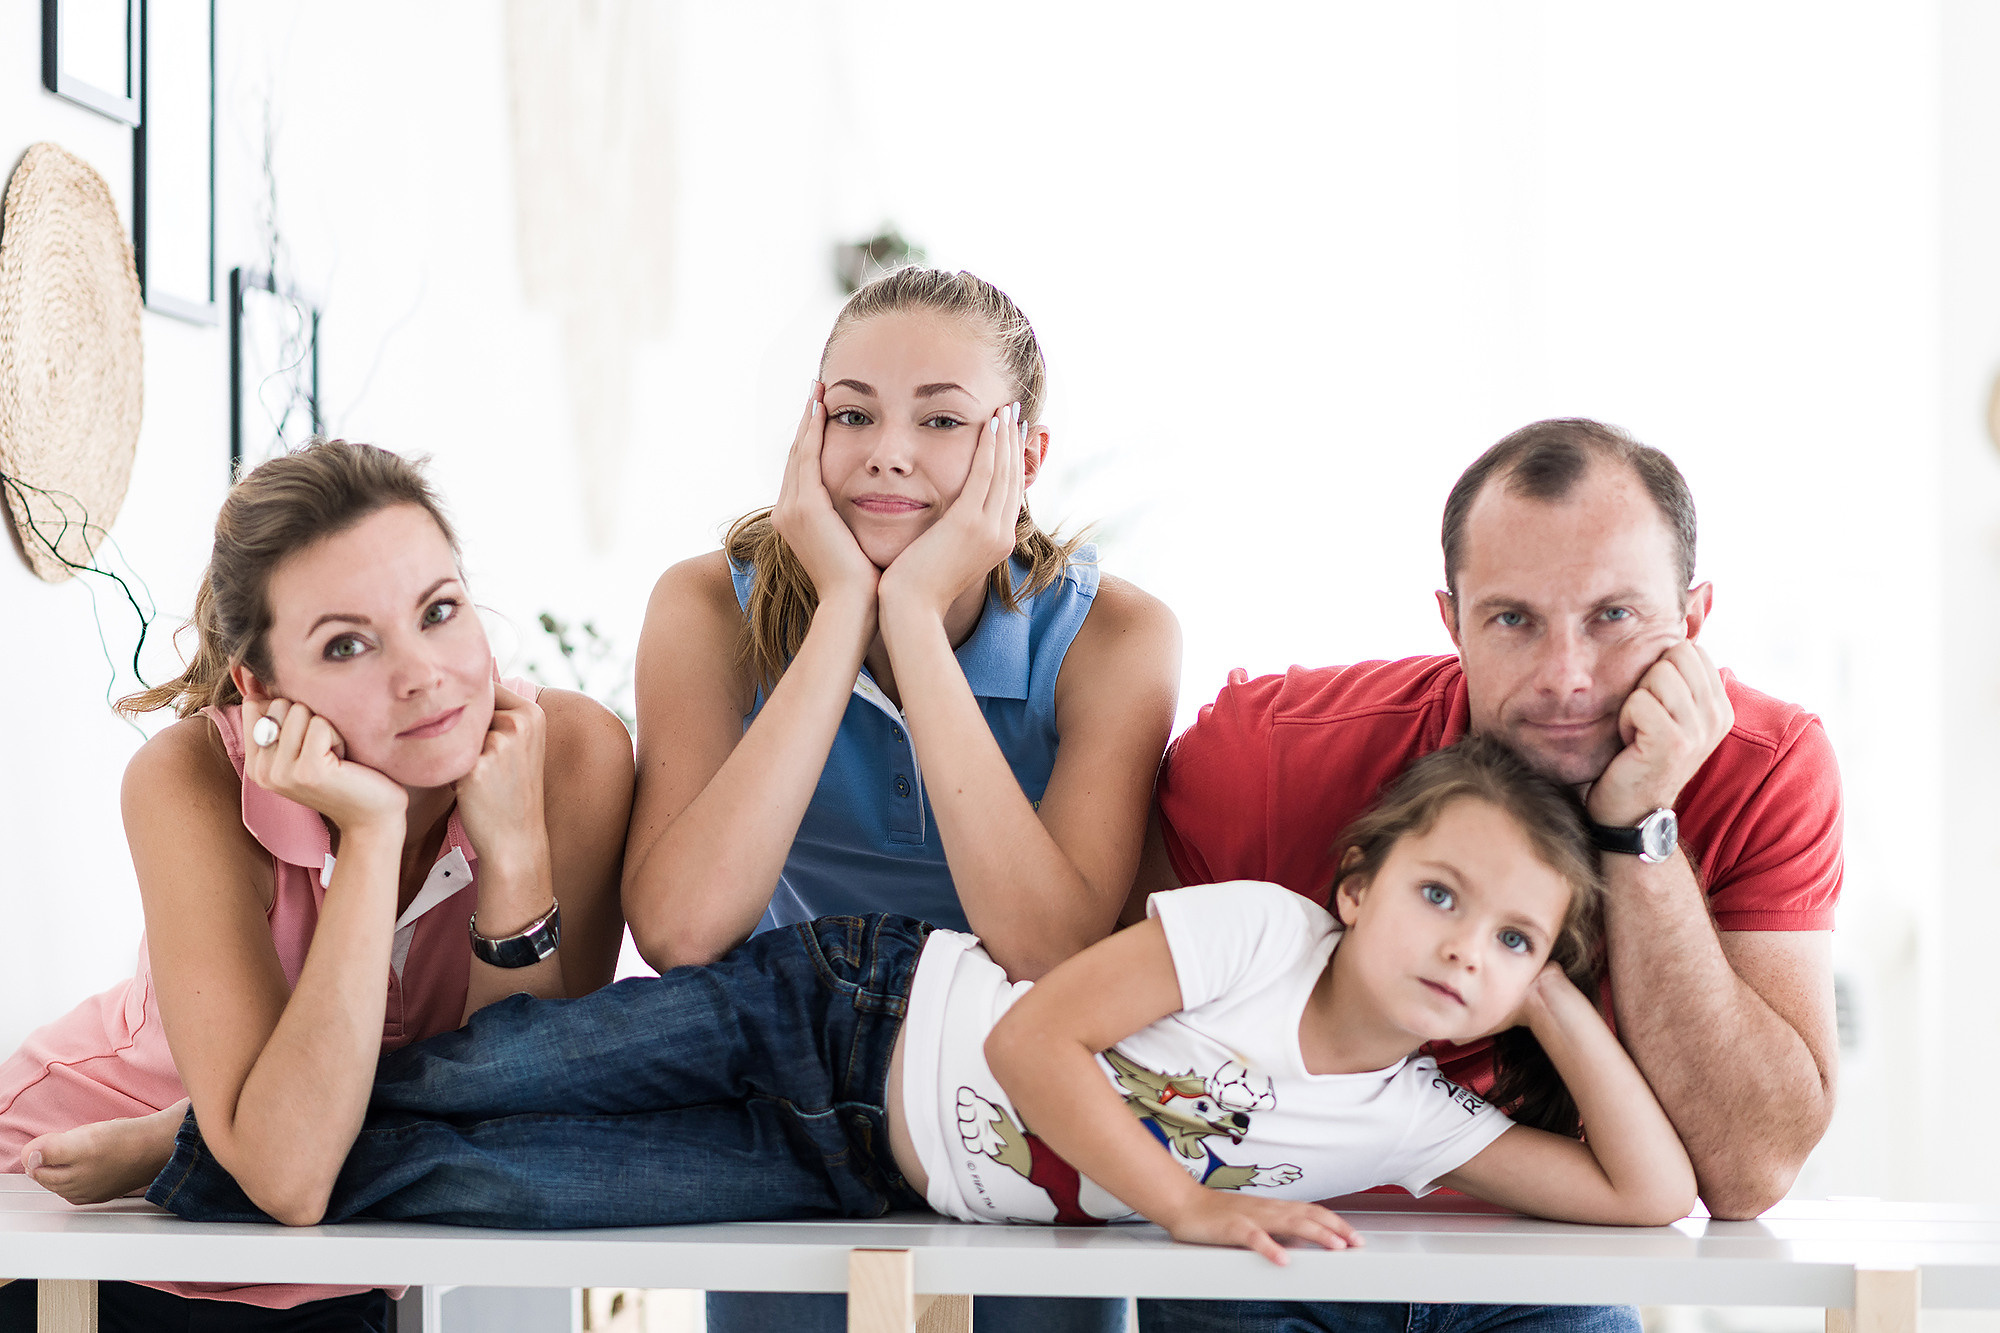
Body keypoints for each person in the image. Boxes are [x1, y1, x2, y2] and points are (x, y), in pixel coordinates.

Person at [147, 738, 1696, 1258]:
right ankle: (218, 1108)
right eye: (1439, 897)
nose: (1460, 950)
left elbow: (1653, 1196)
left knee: (501, 1183)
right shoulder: (1264, 937)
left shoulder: (1415, 1118)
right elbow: (1034, 1034)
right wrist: (1190, 1205)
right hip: (845, 1011)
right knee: (501, 1073)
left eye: (1505, 941)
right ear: (1359, 885)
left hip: (850, 1164)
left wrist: (1546, 991)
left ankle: (185, 1159)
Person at [1127, 418, 1841, 1333]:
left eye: (1613, 617)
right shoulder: (1271, 752)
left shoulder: (1766, 767)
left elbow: (1747, 1173)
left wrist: (1640, 833)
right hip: (1269, 1251)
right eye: (1513, 619)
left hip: (1544, 1262)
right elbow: (1101, 1020)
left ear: (1693, 621)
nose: (1566, 678)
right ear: (1452, 620)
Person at [619, 267, 1181, 1332]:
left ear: (1023, 456)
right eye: (852, 414)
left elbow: (1050, 947)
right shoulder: (702, 605)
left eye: (940, 419)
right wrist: (842, 610)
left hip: (1022, 1098)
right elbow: (681, 931)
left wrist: (914, 621)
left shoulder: (1115, 637)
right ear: (807, 431)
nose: (887, 450)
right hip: (791, 1089)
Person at [0, 441, 634, 1332]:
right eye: (346, 645)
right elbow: (289, 1174)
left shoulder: (573, 754)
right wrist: (371, 834)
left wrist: (518, 853)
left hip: (335, 1229)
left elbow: (517, 1125)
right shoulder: (192, 779)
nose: (422, 673)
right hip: (77, 1210)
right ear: (262, 689)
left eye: (439, 610)